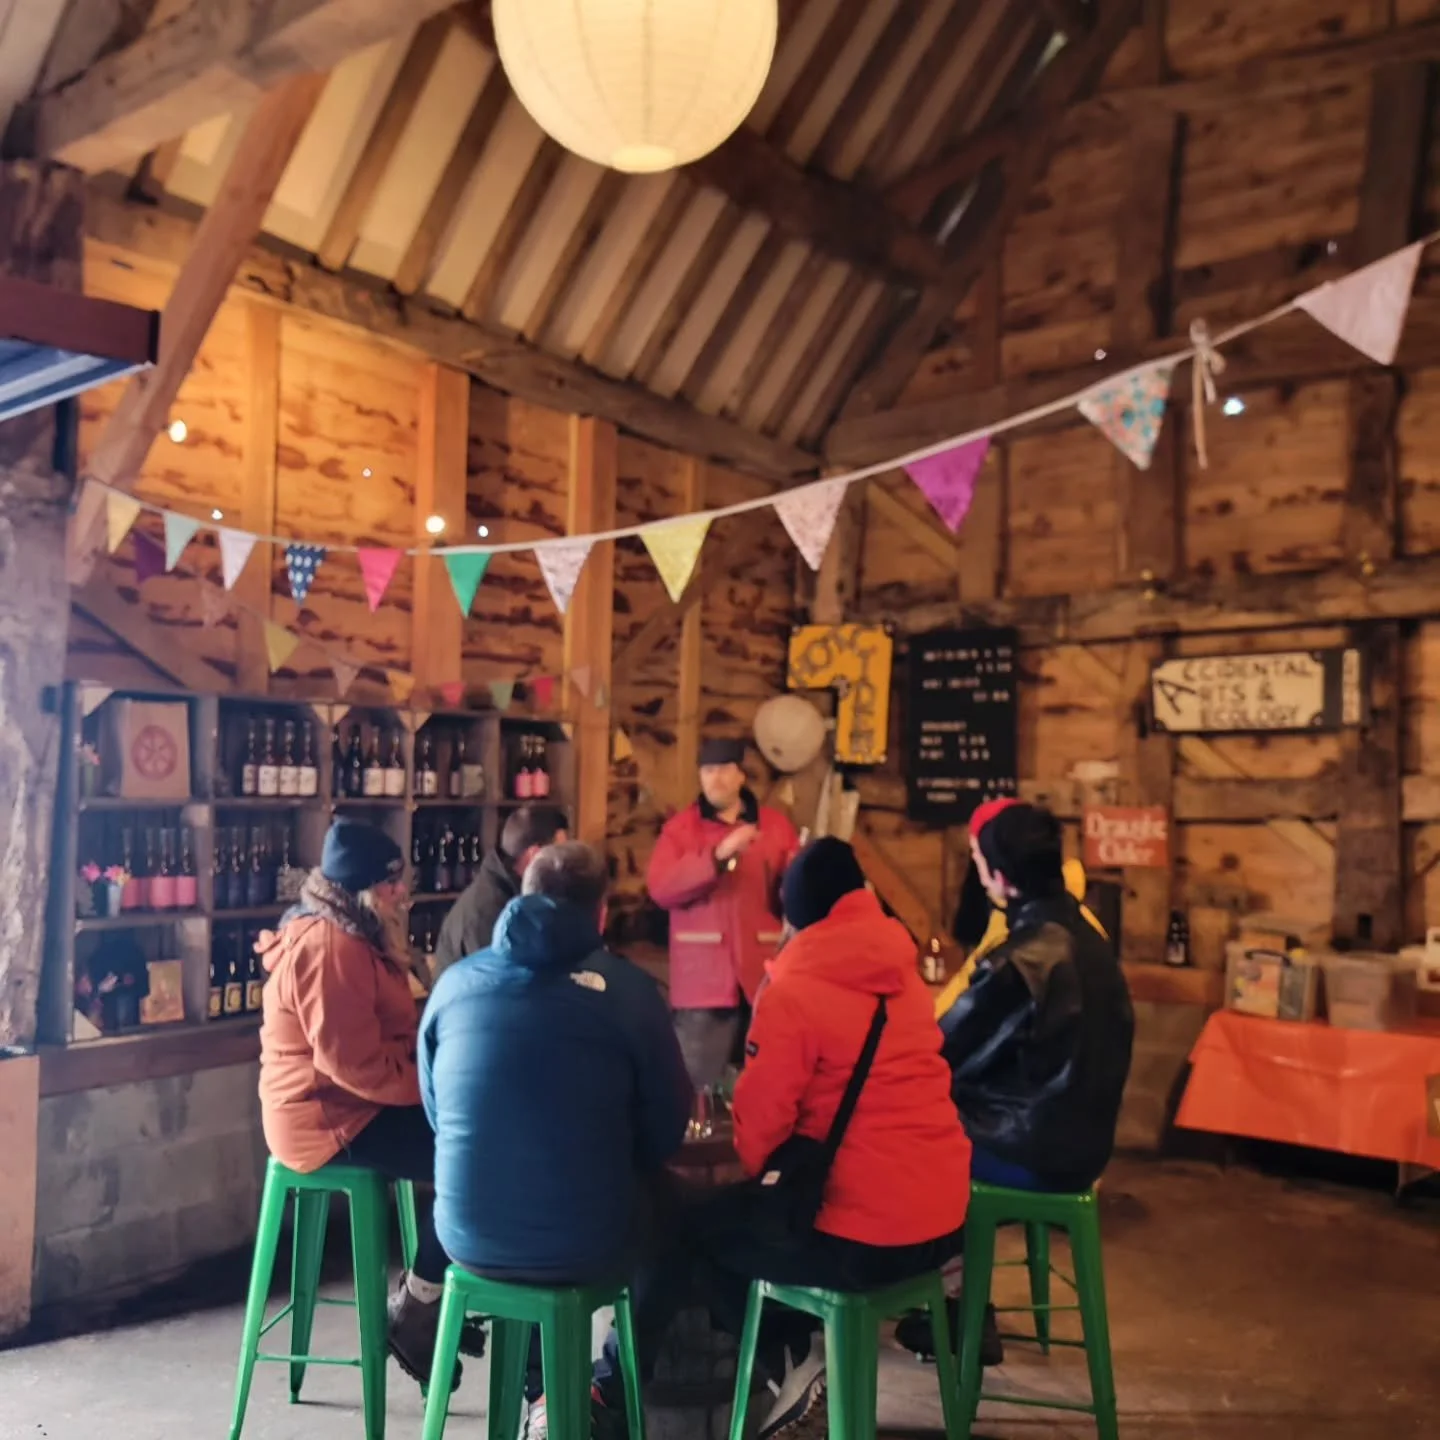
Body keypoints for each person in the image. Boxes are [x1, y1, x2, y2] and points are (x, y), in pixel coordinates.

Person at [691, 837, 972, 1440]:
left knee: (700, 1236)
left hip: (864, 1244)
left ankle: (795, 1365)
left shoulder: (793, 989)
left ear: (796, 914)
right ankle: (809, 1359)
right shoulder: (903, 978)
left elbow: (759, 1135)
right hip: (944, 1231)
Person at [419, 840, 693, 1440]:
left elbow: (437, 1114)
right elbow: (667, 1129)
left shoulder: (455, 985)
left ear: (522, 894)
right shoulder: (630, 992)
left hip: (465, 1234)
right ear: (601, 913)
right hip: (584, 1238)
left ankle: (542, 1396)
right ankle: (604, 1388)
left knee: (536, 1202)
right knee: (677, 1221)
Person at [255, 818, 468, 1383]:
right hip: (329, 1117)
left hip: (351, 1103)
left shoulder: (356, 933)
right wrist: (436, 1086)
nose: (402, 892)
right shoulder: (332, 947)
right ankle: (421, 1307)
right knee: (474, 1159)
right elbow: (354, 1066)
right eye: (390, 883)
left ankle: (438, 1292)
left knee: (476, 1141)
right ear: (360, 890)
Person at [938, 800, 1134, 1193]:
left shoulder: (1018, 960)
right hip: (1087, 1149)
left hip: (1028, 1152)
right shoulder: (1091, 936)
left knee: (888, 1130)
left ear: (999, 877)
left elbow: (941, 1052)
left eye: (979, 862)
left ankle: (934, 1237)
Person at [647, 736, 799, 1087]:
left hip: (763, 979)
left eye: (724, 769)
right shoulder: (679, 830)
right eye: (708, 770)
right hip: (703, 984)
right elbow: (661, 888)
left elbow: (794, 897)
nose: (715, 778)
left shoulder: (776, 827)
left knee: (766, 1085)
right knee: (694, 1087)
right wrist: (717, 856)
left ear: (741, 775)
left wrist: (800, 871)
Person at [432, 804, 568, 979]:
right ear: (534, 855)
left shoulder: (523, 895)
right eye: (559, 853)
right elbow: (497, 985)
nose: (564, 863)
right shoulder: (485, 910)